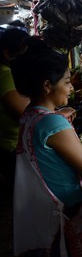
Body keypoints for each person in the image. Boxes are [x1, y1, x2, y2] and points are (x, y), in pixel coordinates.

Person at [11, 38, 82, 257]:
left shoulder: (30, 114)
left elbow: (72, 146)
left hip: (47, 212)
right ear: (47, 85)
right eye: (67, 82)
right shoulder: (52, 121)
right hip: (67, 209)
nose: (71, 88)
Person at [0, 28, 30, 182]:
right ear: (7, 54)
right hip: (10, 146)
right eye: (23, 53)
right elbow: (24, 112)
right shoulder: (4, 74)